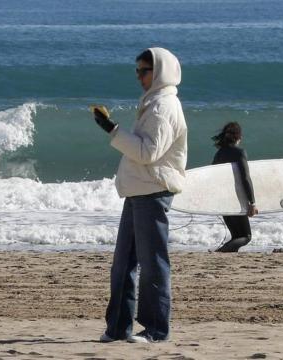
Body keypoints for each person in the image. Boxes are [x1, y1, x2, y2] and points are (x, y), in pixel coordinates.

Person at [92, 48, 187, 343]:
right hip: (138, 190)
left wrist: (112, 130)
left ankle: (157, 329)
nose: (139, 76)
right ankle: (118, 327)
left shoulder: (164, 107)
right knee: (123, 263)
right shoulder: (152, 102)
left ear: (160, 72)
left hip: (153, 191)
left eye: (144, 70)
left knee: (153, 263)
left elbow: (148, 152)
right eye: (137, 70)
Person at [211, 122, 259, 252]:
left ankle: (224, 253)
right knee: (246, 236)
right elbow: (245, 178)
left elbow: (213, 178)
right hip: (234, 200)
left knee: (236, 236)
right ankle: (220, 252)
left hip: (223, 200)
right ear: (239, 137)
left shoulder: (219, 154)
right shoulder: (239, 153)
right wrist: (252, 202)